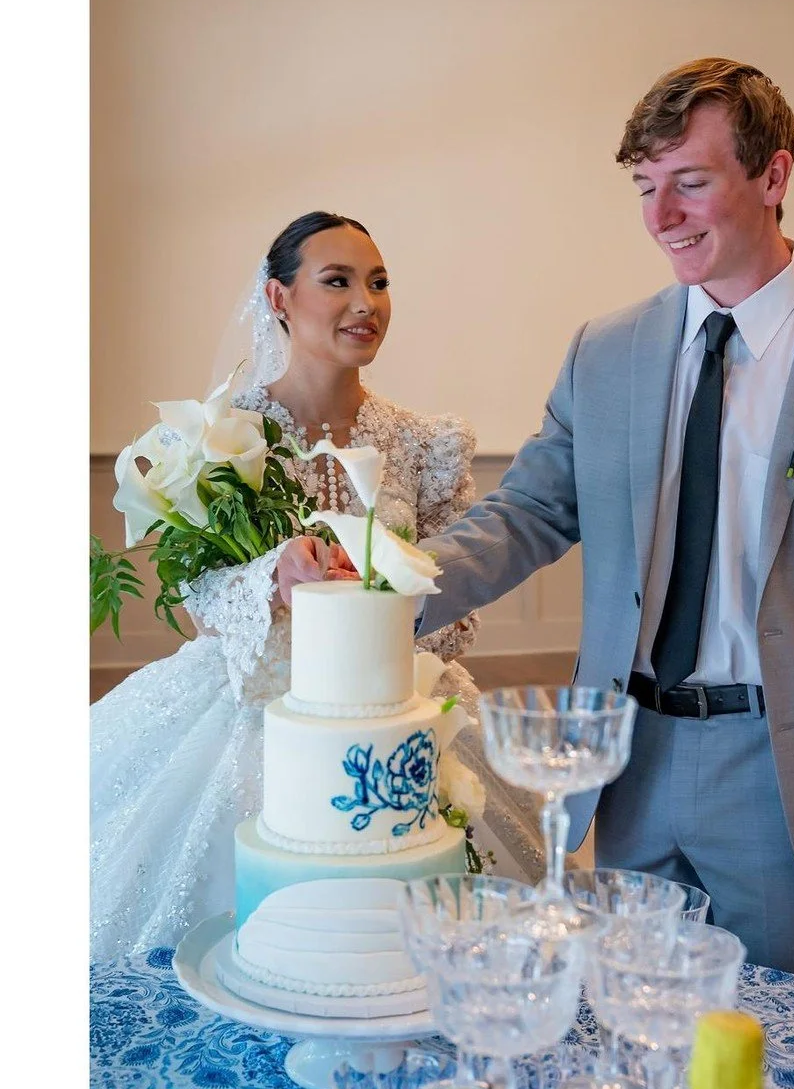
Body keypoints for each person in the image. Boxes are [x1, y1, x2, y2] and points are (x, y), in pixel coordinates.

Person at [414, 58, 794, 992]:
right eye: (645, 187)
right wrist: (374, 591)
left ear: (774, 176)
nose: (659, 216)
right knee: (641, 1046)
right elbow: (527, 510)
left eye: (689, 182)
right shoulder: (605, 351)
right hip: (630, 761)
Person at [90, 211, 545, 962]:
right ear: (277, 297)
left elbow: (458, 611)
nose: (365, 302)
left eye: (378, 282)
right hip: (249, 708)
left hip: (396, 702)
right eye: (336, 281)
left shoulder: (426, 442)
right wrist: (274, 574)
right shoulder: (218, 434)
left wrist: (387, 596)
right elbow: (199, 602)